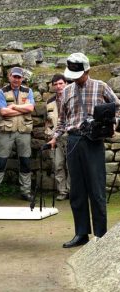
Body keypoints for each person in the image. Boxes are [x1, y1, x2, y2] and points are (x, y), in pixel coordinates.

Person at [48, 53, 120, 248]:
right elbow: (62, 120)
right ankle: (81, 233)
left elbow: (118, 108)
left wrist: (113, 125)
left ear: (87, 70)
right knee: (77, 191)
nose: (74, 77)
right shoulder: (66, 91)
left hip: (93, 142)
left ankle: (101, 235)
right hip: (73, 141)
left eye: (78, 73)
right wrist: (55, 137)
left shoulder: (101, 86)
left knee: (97, 190)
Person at [0, 67, 35, 202]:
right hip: (6, 132)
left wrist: (13, 107)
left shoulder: (28, 91)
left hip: (24, 131)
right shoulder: (2, 92)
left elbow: (31, 108)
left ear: (22, 78)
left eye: (19, 77)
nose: (16, 79)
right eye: (14, 77)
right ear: (9, 77)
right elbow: (3, 112)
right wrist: (22, 109)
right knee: (0, 161)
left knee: (25, 161)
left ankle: (26, 191)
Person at [45, 74, 70, 201]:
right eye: (55, 84)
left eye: (61, 83)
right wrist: (50, 136)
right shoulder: (49, 101)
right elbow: (48, 121)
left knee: (72, 166)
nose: (58, 86)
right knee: (58, 165)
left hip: (71, 136)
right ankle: (62, 191)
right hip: (56, 138)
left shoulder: (73, 97)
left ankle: (73, 191)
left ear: (66, 83)